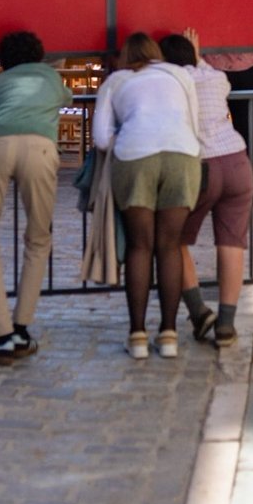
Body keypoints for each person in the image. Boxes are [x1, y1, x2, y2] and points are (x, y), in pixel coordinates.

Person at [91, 32, 201, 359]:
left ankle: (137, 335)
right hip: (182, 156)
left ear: (124, 56)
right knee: (170, 246)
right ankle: (169, 335)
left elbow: (100, 139)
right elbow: (194, 126)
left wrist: (129, 136)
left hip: (135, 157)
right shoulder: (180, 75)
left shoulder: (115, 81)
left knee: (140, 246)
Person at [0, 31, 73, 364]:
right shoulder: (51, 79)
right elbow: (68, 97)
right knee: (38, 239)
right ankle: (21, 328)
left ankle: (0, 337)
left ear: (2, 60)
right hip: (40, 149)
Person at [159, 29, 253, 348]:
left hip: (200, 166)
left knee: (173, 240)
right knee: (231, 244)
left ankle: (199, 311)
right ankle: (226, 324)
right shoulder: (216, 78)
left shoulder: (171, 83)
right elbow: (201, 72)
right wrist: (195, 55)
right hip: (236, 160)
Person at [202, 50, 253, 203]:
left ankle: (220, 187)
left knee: (215, 132)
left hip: (214, 68)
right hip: (247, 68)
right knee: (250, 131)